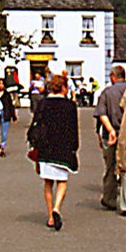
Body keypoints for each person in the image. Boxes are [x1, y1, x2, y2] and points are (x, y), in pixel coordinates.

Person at [29, 74, 79, 230]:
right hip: (63, 147)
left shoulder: (43, 104)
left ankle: (50, 215)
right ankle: (57, 208)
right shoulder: (70, 106)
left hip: (45, 147)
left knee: (48, 182)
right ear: (64, 87)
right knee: (62, 181)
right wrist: (74, 147)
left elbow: (35, 124)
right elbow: (73, 129)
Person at [94, 65, 126, 215]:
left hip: (111, 133)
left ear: (113, 77)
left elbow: (101, 114)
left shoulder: (107, 92)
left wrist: (108, 130)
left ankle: (109, 199)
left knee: (110, 167)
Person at [0, 78, 16, 156]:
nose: (1, 85)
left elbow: (11, 106)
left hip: (5, 114)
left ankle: (2, 149)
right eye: (0, 84)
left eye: (2, 84)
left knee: (4, 133)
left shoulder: (7, 94)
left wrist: (13, 116)